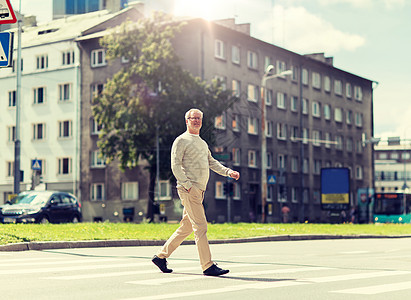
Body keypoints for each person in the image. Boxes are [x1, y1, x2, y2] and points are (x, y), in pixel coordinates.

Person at [152, 108, 240, 276]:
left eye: (199, 118)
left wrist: (228, 172)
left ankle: (160, 257)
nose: (197, 121)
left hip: (199, 190)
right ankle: (207, 265)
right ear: (187, 120)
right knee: (201, 226)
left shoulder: (201, 142)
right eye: (193, 118)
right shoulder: (181, 140)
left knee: (186, 228)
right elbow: (175, 165)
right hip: (189, 189)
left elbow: (212, 162)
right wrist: (187, 185)